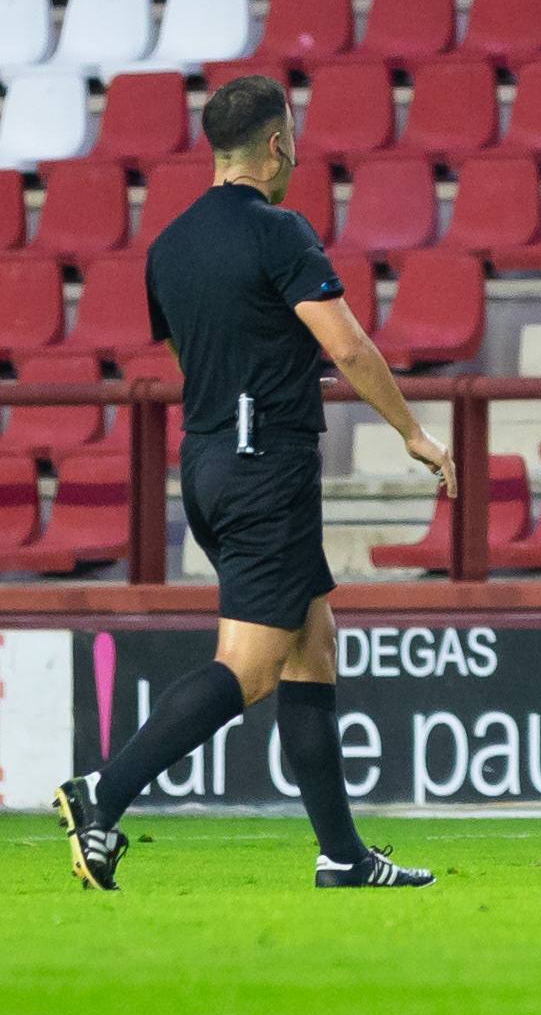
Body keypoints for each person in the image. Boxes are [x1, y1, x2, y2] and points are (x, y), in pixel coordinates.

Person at [53, 75, 454, 891]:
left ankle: (341, 855)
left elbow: (190, 359)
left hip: (204, 461)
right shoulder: (279, 233)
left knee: (313, 646)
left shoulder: (165, 247)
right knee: (251, 665)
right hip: (265, 462)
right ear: (277, 144)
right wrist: (412, 432)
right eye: (294, 136)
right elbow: (344, 347)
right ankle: (104, 791)